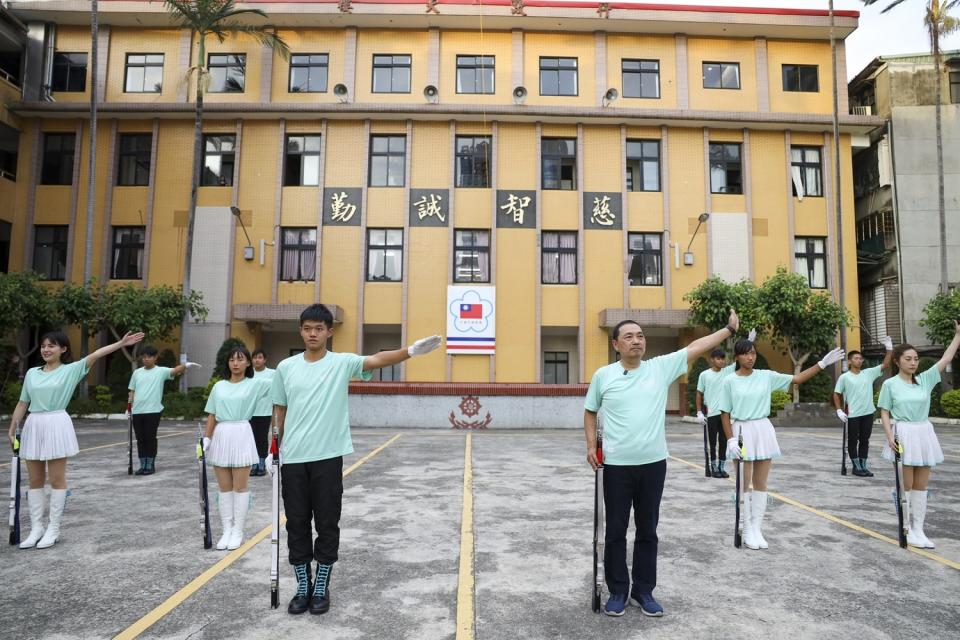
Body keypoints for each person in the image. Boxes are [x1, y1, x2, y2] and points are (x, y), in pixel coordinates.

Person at [272, 303, 441, 616]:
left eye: (319, 328)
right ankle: (302, 585)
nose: (312, 333)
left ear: (329, 332)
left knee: (326, 522)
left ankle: (321, 586)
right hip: (293, 457)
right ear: (301, 330)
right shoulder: (285, 368)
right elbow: (279, 409)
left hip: (327, 457)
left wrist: (410, 352)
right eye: (307, 328)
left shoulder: (341, 363)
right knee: (296, 523)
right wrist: (273, 447)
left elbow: (375, 359)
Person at [584, 309, 742, 618]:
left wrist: (727, 330)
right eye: (628, 336)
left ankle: (643, 591)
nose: (636, 341)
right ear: (616, 344)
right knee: (615, 530)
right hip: (616, 465)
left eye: (640, 335)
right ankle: (618, 590)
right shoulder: (604, 375)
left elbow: (695, 347)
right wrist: (592, 445)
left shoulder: (659, 368)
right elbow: (590, 411)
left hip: (654, 463)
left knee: (648, 529)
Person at [8, 330, 145, 549]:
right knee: (34, 479)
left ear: (63, 349)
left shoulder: (71, 370)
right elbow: (23, 402)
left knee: (56, 478)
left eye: (52, 346)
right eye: (43, 346)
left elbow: (97, 354)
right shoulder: (32, 373)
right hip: (34, 424)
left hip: (56, 423)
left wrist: (120, 343)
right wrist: (14, 425)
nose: (46, 349)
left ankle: (53, 528)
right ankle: (36, 528)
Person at [718, 339, 844, 551]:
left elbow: (797, 379)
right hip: (741, 430)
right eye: (745, 354)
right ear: (737, 357)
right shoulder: (729, 380)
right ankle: (746, 528)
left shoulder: (766, 376)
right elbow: (724, 413)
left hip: (763, 429)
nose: (750, 357)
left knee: (761, 483)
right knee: (744, 482)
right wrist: (730, 439)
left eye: (753, 353)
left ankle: (757, 528)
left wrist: (821, 364)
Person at [878, 322, 960, 549]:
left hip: (924, 432)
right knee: (906, 485)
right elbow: (884, 412)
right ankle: (905, 527)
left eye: (915, 359)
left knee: (922, 485)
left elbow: (945, 358)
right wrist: (889, 436)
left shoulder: (924, 380)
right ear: (897, 361)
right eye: (908, 359)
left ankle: (919, 529)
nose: (913, 362)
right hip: (903, 433)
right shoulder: (890, 384)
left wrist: (958, 336)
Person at [202, 345, 271, 551]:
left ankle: (238, 530)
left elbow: (283, 382)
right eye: (232, 360)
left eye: (241, 359)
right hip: (222, 435)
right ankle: (226, 530)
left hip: (242, 432)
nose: (236, 363)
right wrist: (207, 438)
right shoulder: (219, 386)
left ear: (248, 362)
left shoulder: (256, 384)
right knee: (224, 487)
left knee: (240, 487)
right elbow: (212, 414)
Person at [127, 345, 198, 475]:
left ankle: (150, 464)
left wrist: (186, 365)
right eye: (144, 357)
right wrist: (129, 407)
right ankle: (142, 465)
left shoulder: (160, 371)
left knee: (150, 437)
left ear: (155, 358)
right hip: (137, 411)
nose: (146, 359)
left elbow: (175, 371)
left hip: (153, 411)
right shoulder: (137, 373)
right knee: (140, 439)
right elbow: (132, 390)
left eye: (149, 357)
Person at [832, 337, 893, 477]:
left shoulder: (868, 373)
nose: (859, 360)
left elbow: (885, 364)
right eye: (856, 358)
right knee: (853, 441)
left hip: (868, 413)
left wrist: (889, 349)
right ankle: (856, 467)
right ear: (850, 361)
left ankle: (863, 466)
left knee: (865, 440)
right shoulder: (844, 377)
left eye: (861, 358)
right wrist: (839, 410)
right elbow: (836, 394)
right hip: (853, 414)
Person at [696, 349, 734, 478]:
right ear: (712, 359)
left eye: (723, 359)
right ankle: (713, 467)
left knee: (724, 441)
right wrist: (699, 412)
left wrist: (749, 342)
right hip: (711, 414)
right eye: (718, 358)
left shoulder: (727, 372)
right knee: (712, 443)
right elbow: (699, 393)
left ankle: (721, 467)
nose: (721, 361)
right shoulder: (704, 375)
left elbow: (739, 361)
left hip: (724, 414)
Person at [249, 349, 274, 477]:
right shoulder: (248, 374)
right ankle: (253, 464)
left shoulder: (272, 373)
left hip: (264, 412)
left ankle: (261, 463)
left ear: (264, 360)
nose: (257, 360)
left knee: (261, 438)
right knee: (250, 439)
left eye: (259, 357)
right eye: (254, 358)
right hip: (249, 412)